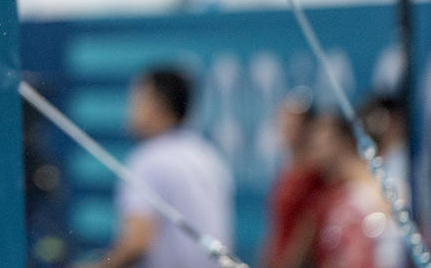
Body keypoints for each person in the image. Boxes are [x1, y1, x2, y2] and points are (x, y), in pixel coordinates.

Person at [74, 68, 233, 268]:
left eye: (136, 99)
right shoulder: (207, 155)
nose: (129, 108)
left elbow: (137, 244)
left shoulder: (149, 159)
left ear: (156, 104)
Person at [308, 113, 402, 268]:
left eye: (319, 138)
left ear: (341, 141)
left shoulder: (373, 185)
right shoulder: (330, 189)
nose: (313, 143)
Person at [260, 87, 327, 268]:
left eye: (292, 122)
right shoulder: (288, 171)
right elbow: (277, 227)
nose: (284, 126)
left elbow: (306, 230)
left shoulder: (312, 174)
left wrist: (289, 263)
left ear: (307, 126)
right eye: (283, 119)